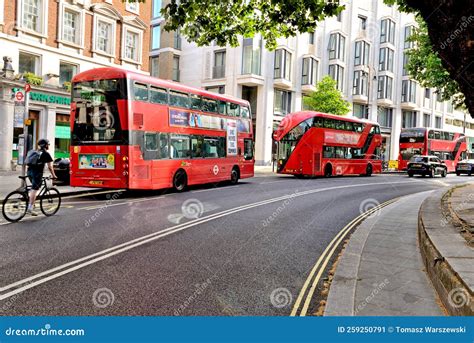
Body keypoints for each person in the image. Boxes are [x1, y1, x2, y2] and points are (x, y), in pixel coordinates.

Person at [27, 138, 57, 216]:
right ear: (45, 145)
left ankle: (31, 202)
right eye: (48, 144)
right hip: (37, 173)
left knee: (35, 187)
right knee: (35, 189)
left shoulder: (35, 151)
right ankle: (30, 208)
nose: (48, 146)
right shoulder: (46, 154)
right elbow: (50, 167)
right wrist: (54, 175)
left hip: (29, 171)